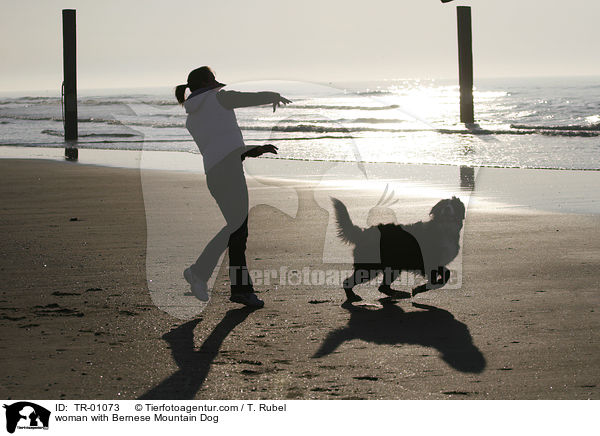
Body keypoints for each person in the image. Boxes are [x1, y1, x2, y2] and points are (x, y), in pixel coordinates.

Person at [176, 66, 291, 308]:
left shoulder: (191, 117)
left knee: (236, 229)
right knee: (237, 229)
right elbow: (244, 98)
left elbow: (221, 147)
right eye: (214, 79)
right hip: (229, 172)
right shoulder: (218, 98)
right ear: (208, 82)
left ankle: (228, 285)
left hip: (215, 174)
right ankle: (208, 275)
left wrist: (254, 149)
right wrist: (273, 95)